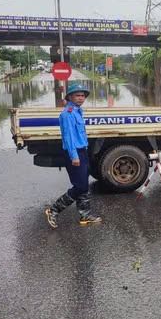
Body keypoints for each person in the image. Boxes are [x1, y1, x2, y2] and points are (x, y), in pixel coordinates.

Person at [44, 83, 102, 228]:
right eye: (77, 95)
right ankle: (53, 210)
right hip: (74, 153)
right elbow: (68, 137)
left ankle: (85, 215)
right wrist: (74, 156)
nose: (81, 98)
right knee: (80, 186)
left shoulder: (77, 111)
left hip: (82, 151)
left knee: (83, 184)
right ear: (69, 97)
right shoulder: (68, 113)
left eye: (83, 96)